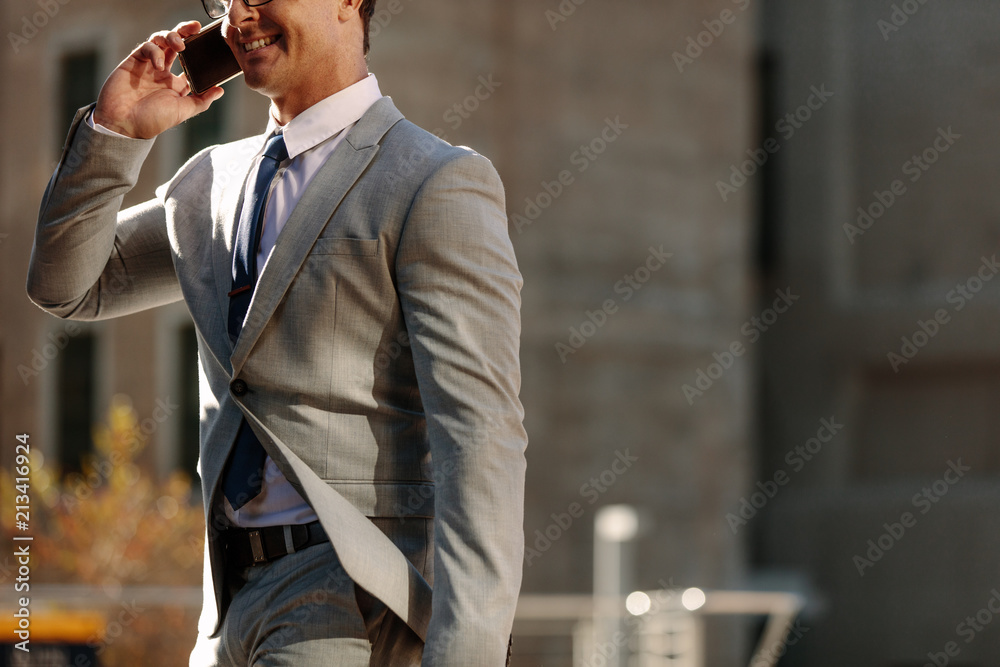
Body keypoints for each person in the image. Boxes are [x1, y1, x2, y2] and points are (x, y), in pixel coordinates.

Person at [26, 0, 527, 664]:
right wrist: (115, 132)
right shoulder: (207, 182)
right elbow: (66, 285)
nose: (238, 13)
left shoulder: (433, 182)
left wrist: (465, 653)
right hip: (225, 603)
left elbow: (480, 437)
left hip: (345, 599)